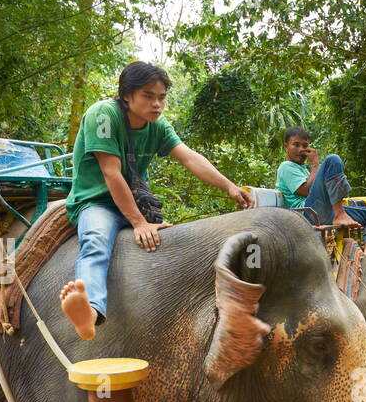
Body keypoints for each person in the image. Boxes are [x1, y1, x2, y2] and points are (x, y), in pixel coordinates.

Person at [59, 61, 251, 340]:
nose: (157, 104)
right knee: (96, 241)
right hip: (97, 203)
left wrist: (230, 187)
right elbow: (111, 173)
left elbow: (189, 157)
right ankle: (89, 311)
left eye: (161, 97)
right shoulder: (103, 115)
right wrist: (139, 223)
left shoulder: (158, 126)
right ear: (127, 95)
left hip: (137, 203)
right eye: (148, 96)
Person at [276, 127, 366, 252]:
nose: (301, 150)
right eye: (296, 145)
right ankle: (339, 214)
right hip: (306, 214)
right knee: (333, 159)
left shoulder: (303, 169)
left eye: (305, 145)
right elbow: (305, 191)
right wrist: (315, 164)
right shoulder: (286, 167)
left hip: (323, 211)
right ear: (285, 147)